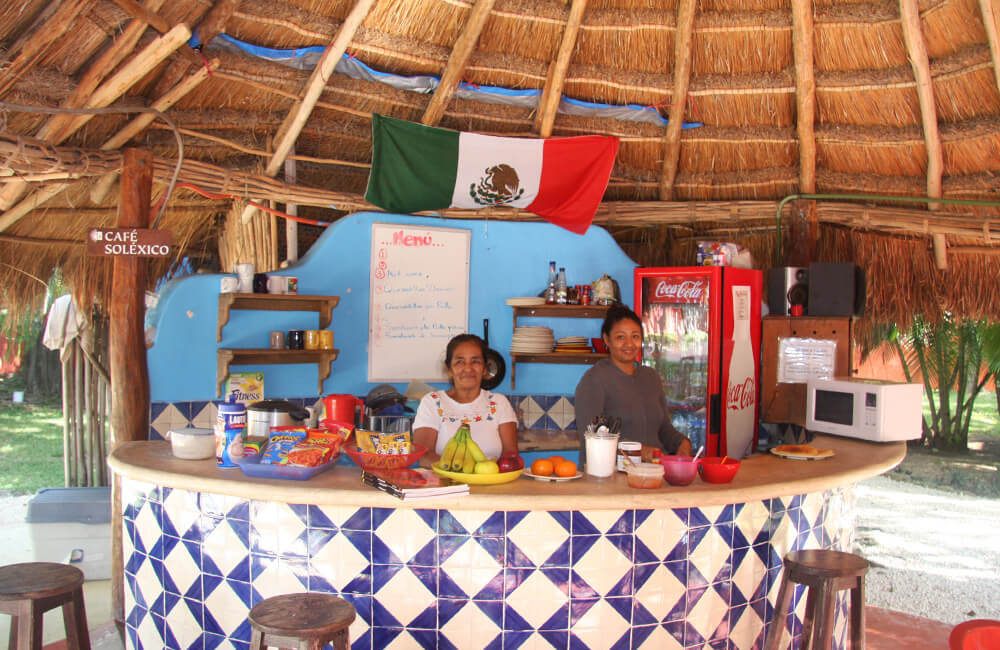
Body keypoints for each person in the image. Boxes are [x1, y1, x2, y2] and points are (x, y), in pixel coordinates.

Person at [575, 304, 692, 464]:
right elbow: (592, 437)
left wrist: (681, 443)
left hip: (652, 474)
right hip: (611, 477)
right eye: (620, 337)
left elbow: (664, 428)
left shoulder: (651, 377)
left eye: (635, 336)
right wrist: (637, 451)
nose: (629, 344)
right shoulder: (594, 379)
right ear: (606, 340)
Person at [413, 333, 519, 467]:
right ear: (449, 369)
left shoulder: (499, 402)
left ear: (485, 368)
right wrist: (467, 471)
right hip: (445, 484)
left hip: (491, 483)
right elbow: (424, 456)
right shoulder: (432, 402)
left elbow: (510, 455)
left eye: (475, 361)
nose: (468, 368)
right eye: (459, 362)